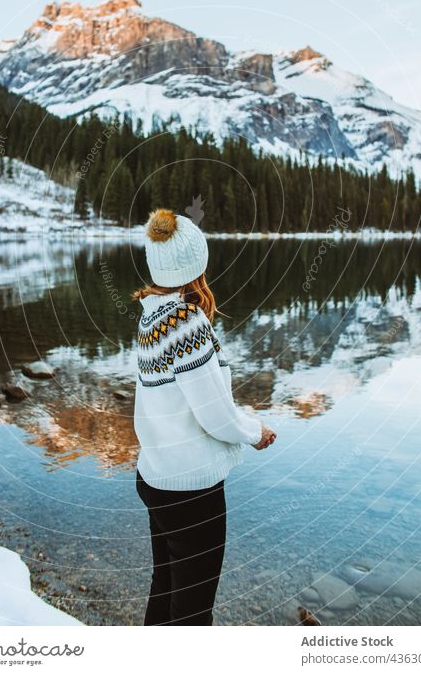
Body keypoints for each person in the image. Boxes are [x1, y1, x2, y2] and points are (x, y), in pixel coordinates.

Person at [133, 207, 277, 626]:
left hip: (156, 478)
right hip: (190, 492)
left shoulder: (151, 317)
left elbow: (185, 400)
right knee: (194, 613)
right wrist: (254, 432)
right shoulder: (185, 323)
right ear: (196, 265)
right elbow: (215, 415)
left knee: (165, 588)